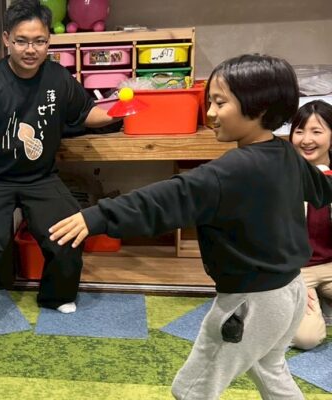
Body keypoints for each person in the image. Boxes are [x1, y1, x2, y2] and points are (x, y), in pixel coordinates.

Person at [49, 54, 332, 399]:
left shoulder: (229, 172)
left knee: (192, 390)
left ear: (259, 107)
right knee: (270, 369)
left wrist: (94, 216)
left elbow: (164, 199)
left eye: (220, 103)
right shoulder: (287, 155)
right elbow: (323, 188)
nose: (210, 113)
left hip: (249, 304)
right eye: (209, 101)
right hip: (290, 293)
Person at [0, 0, 121, 327]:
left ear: (48, 41)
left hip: (40, 177)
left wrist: (118, 113)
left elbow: (86, 113)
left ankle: (57, 296)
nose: (31, 49)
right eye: (22, 41)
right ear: (6, 39)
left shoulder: (58, 77)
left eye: (39, 41)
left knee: (70, 229)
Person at [289, 100, 332, 349]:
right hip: (297, 270)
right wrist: (290, 279)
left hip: (330, 264)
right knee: (306, 338)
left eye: (316, 131)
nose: (307, 140)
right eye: (299, 131)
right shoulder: (282, 176)